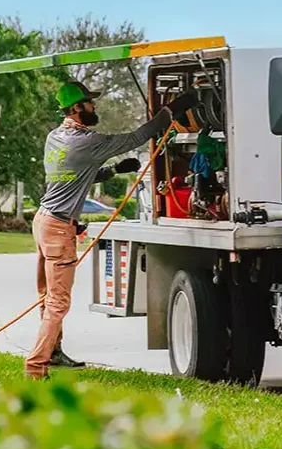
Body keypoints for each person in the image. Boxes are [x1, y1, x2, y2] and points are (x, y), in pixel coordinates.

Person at [25, 80, 196, 379]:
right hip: (58, 227)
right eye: (90, 103)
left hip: (43, 220)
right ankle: (36, 367)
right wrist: (174, 108)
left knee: (46, 295)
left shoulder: (55, 138)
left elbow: (74, 177)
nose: (95, 107)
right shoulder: (88, 142)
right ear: (77, 108)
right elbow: (140, 135)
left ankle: (52, 352)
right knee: (58, 301)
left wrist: (115, 170)